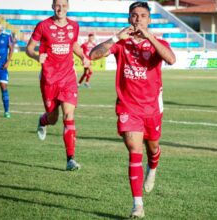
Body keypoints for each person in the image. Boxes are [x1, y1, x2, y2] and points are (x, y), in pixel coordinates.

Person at [90, 1, 176, 218]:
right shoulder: (121, 43)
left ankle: (153, 168)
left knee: (153, 146)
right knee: (133, 149)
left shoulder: (158, 42)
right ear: (129, 19)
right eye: (134, 15)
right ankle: (137, 205)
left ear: (149, 19)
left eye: (143, 15)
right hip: (128, 106)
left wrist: (150, 37)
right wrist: (116, 38)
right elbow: (93, 55)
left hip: (152, 106)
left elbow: (171, 59)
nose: (138, 19)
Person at [26, 0, 89, 171]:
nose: (60, 8)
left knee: (68, 115)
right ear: (52, 7)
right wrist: (35, 56)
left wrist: (83, 56)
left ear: (68, 7)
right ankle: (42, 120)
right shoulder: (43, 26)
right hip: (49, 78)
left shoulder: (74, 26)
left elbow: (73, 44)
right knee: (53, 118)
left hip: (68, 77)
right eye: (57, 5)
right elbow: (29, 48)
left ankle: (70, 159)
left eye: (64, 5)